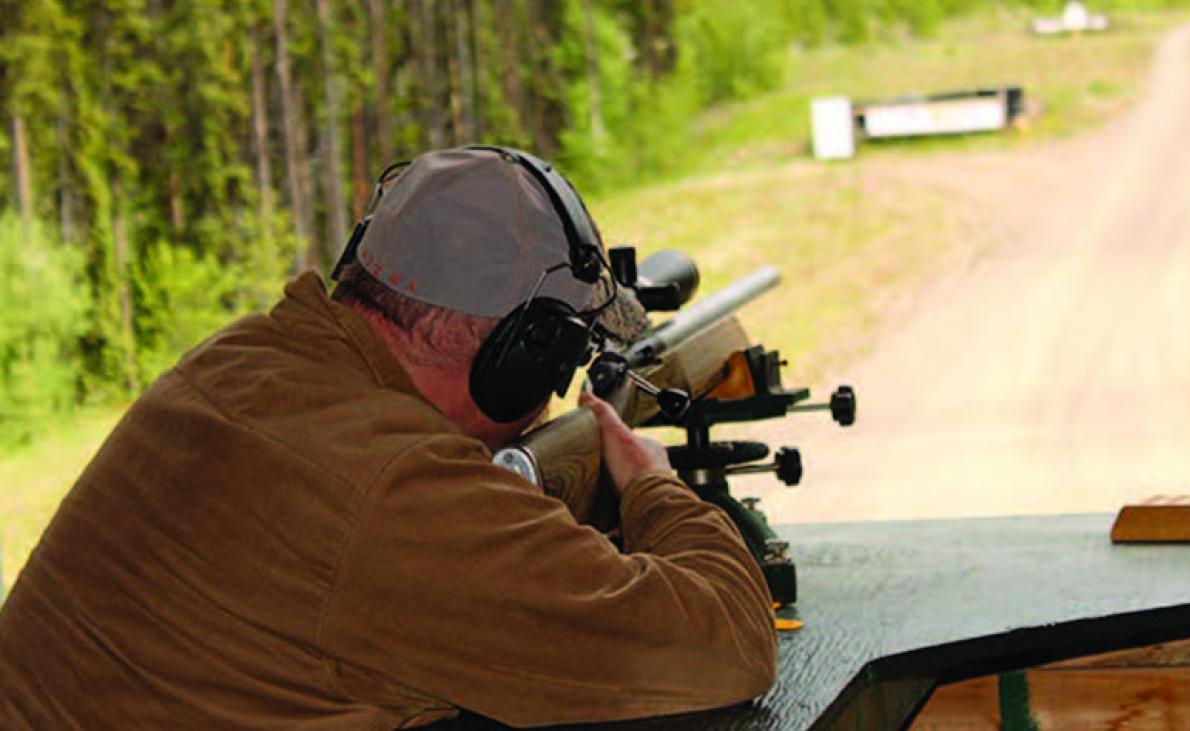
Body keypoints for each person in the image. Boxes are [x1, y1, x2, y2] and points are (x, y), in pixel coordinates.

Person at [0, 147, 778, 729]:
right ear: (520, 355)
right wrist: (650, 485)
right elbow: (728, 645)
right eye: (559, 354)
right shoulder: (399, 490)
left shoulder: (241, 360)